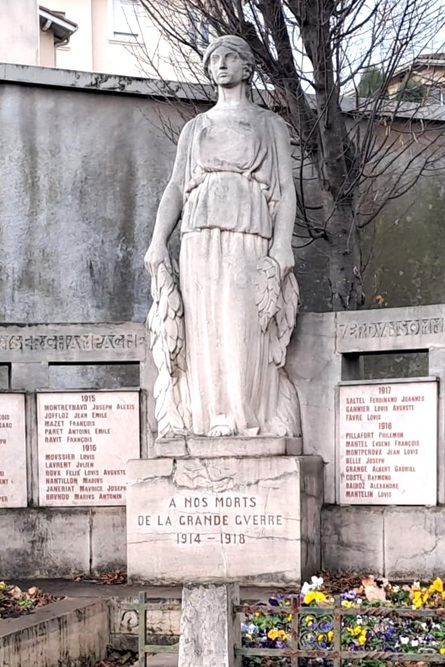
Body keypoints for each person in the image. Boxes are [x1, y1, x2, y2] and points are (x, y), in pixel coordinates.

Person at [145, 35, 301, 439]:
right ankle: (210, 415)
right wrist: (158, 239)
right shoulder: (195, 128)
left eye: (230, 57)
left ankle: (244, 415)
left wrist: (282, 245)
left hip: (248, 232)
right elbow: (176, 187)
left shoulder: (269, 125)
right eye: (214, 59)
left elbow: (285, 192)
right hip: (198, 233)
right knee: (204, 325)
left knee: (240, 322)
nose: (221, 64)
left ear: (247, 67)